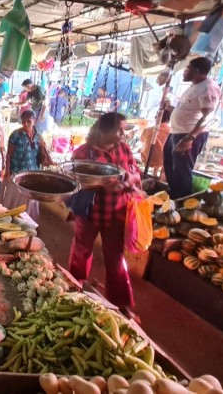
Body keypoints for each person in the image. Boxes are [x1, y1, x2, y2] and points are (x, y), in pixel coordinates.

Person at [70, 112, 142, 320]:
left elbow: (137, 174)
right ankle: (74, 290)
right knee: (82, 252)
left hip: (117, 213)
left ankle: (121, 304)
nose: (123, 134)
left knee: (116, 259)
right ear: (103, 130)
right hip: (90, 212)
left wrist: (127, 179)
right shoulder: (83, 152)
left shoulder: (124, 149)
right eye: (119, 130)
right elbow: (76, 181)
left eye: (123, 130)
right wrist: (102, 184)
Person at [163, 57, 221, 198]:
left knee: (181, 170)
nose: (184, 71)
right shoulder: (195, 87)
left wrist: (191, 137)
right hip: (177, 132)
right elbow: (187, 109)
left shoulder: (207, 88)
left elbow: (208, 116)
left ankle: (182, 202)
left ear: (196, 70)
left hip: (188, 134)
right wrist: (168, 106)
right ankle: (173, 195)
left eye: (187, 68)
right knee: (169, 164)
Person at [2, 109, 52, 220]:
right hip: (17, 171)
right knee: (16, 197)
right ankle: (12, 220)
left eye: (28, 121)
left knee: (30, 200)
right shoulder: (15, 135)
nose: (25, 124)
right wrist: (8, 172)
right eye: (23, 121)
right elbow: (9, 154)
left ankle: (28, 222)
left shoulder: (38, 134)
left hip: (33, 172)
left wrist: (43, 147)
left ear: (34, 121)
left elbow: (42, 154)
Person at [141, 109, 172, 177]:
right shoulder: (171, 131)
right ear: (169, 120)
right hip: (162, 161)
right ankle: (158, 174)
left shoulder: (147, 130)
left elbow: (143, 143)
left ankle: (153, 173)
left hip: (146, 159)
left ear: (156, 118)